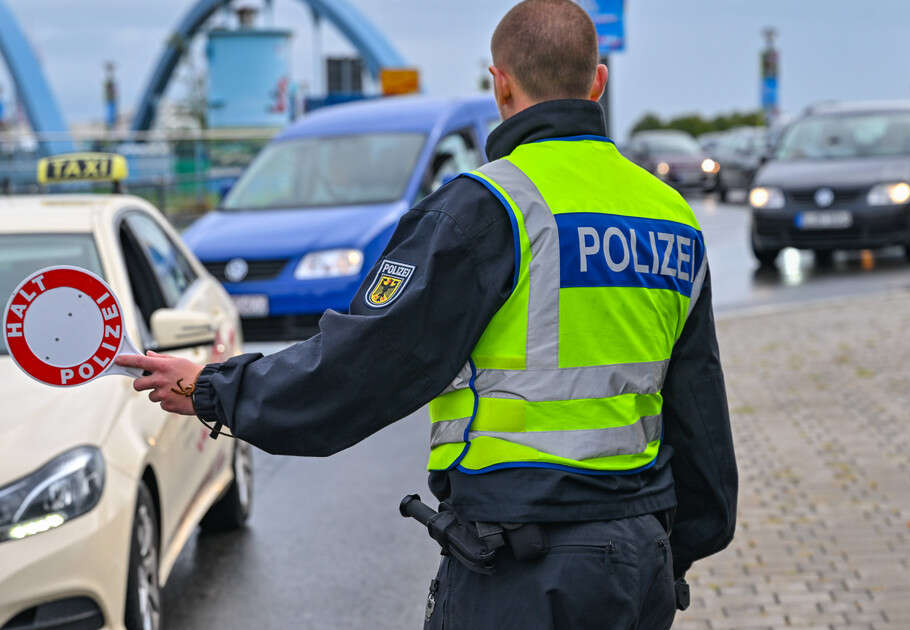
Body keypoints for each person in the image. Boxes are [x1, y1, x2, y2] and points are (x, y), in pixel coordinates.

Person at [117, 1, 738, 627]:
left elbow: (359, 369)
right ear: (596, 82)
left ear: (499, 84)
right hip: (640, 560)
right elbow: (699, 410)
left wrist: (212, 389)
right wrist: (676, 547)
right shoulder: (671, 216)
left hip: (525, 566)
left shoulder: (490, 207)